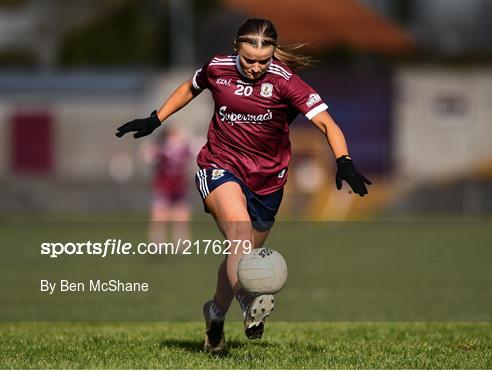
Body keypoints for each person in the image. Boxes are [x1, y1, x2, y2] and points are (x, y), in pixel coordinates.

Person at [116, 18, 371, 352]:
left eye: (263, 61)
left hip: (268, 181)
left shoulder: (286, 82)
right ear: (237, 47)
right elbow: (189, 88)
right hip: (220, 167)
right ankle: (251, 305)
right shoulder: (217, 69)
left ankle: (215, 314)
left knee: (241, 251)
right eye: (249, 59)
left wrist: (344, 161)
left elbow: (326, 122)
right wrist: (155, 118)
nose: (255, 67)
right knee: (240, 237)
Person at [143, 128, 192, 244]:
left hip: (179, 189)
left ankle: (181, 245)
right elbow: (149, 158)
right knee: (160, 218)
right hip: (163, 189)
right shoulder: (161, 150)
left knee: (181, 219)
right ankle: (157, 243)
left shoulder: (184, 149)